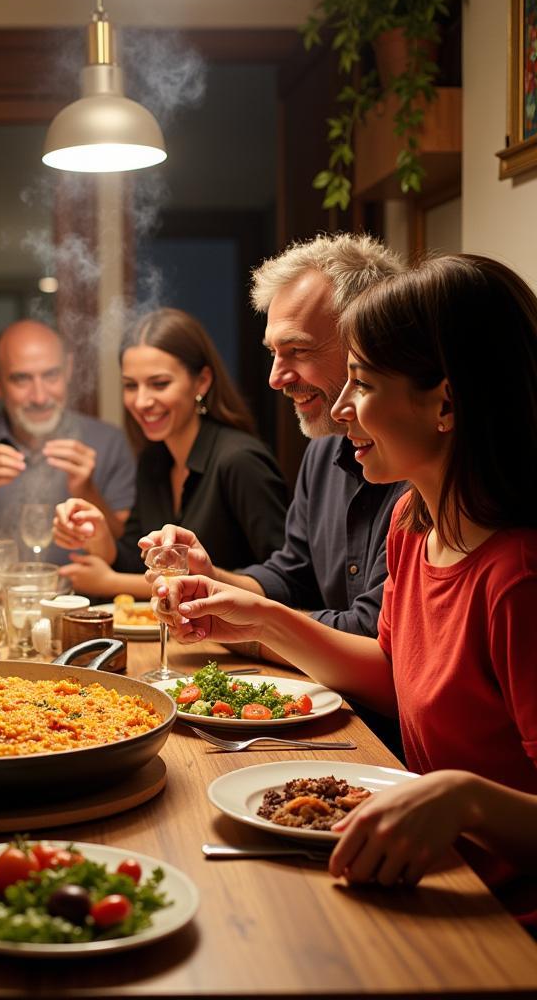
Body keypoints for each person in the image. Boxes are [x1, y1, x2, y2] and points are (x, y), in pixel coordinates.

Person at [154, 255, 537, 926]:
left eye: (359, 383)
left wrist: (467, 800)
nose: (338, 408)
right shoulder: (414, 528)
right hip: (424, 876)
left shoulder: (517, 579)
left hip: (500, 922)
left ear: (445, 403)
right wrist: (255, 619)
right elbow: (394, 678)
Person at [141, 234, 407, 643]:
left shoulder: (417, 462)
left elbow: (373, 634)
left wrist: (243, 627)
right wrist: (209, 579)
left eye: (297, 350)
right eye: (273, 353)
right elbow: (291, 575)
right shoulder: (322, 451)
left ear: (365, 340)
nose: (275, 377)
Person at [53, 308, 288, 599]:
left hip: (240, 640)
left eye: (159, 384)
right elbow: (134, 560)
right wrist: (97, 531)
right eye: (130, 386)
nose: (141, 401)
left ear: (201, 382)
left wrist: (111, 583)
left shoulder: (239, 460)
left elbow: (286, 581)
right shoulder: (154, 461)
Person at [0, 319, 135, 568]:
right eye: (21, 379)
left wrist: (87, 491)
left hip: (85, 603)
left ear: (69, 370)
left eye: (51, 375)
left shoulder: (108, 441)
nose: (40, 397)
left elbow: (127, 551)